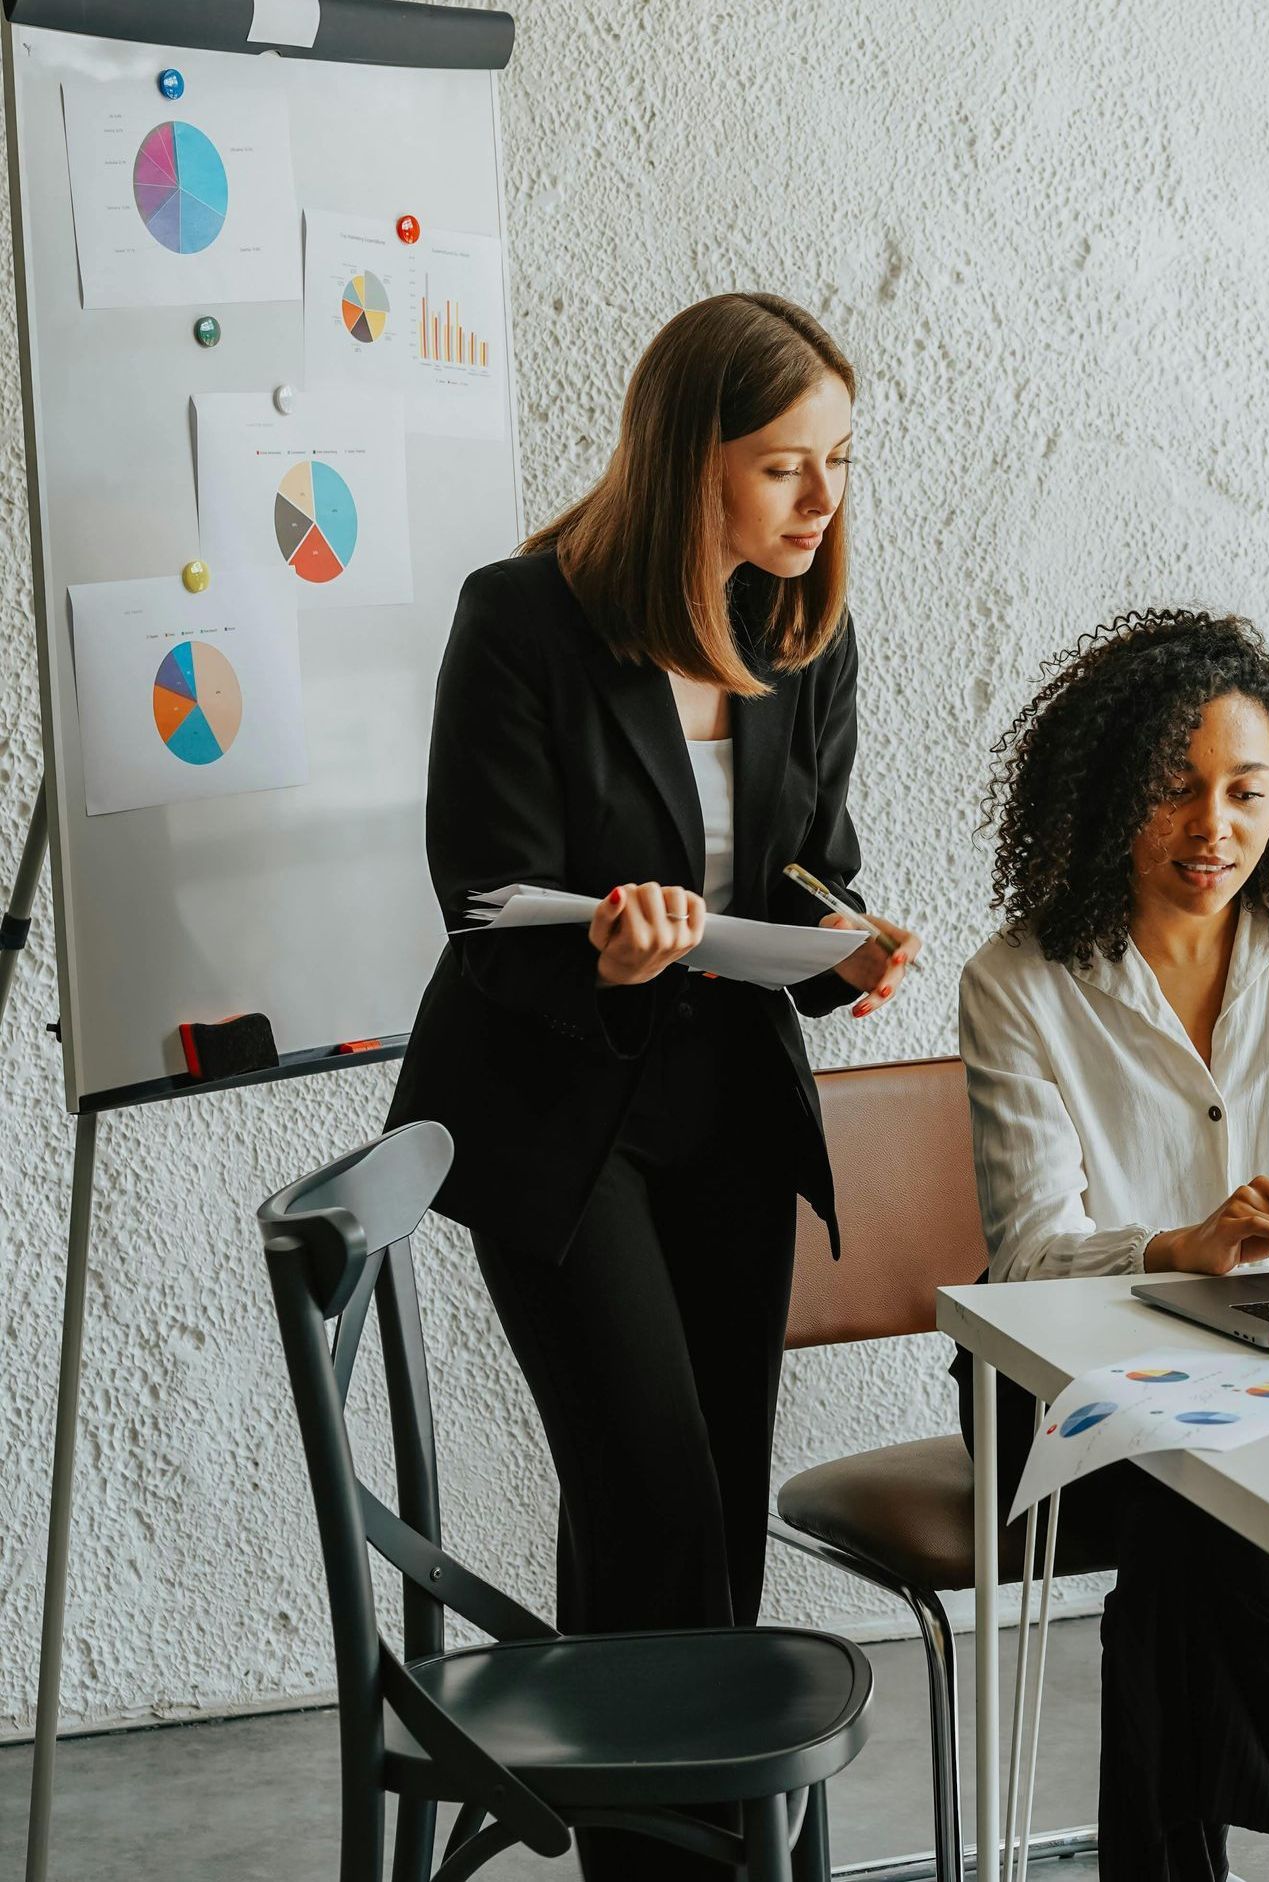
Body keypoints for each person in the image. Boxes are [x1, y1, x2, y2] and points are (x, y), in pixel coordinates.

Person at [387, 293, 921, 1881]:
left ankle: (670, 1846)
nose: (821, 502)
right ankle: (684, 1860)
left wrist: (842, 947)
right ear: (686, 462)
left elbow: (809, 865)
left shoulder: (799, 628)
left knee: (699, 1503)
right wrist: (613, 959)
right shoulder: (520, 619)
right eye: (783, 467)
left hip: (730, 1107)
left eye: (836, 462)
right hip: (555, 1109)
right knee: (652, 1489)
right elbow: (485, 901)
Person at [956, 609, 1269, 1882]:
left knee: (1195, 1520)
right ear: (1111, 794)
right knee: (1208, 1469)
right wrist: (1178, 1244)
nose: (1214, 828)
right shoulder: (1021, 978)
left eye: (1246, 793)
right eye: (1175, 791)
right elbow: (1029, 1254)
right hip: (1054, 1392)